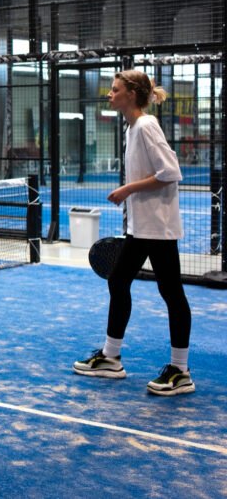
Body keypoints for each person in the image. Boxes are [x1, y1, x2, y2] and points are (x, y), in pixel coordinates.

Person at [73, 70, 193, 395]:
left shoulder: (146, 126)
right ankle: (111, 357)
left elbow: (171, 172)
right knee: (119, 280)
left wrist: (127, 190)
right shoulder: (131, 129)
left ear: (131, 95)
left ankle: (180, 371)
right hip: (141, 227)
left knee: (171, 292)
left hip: (157, 227)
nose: (109, 95)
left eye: (115, 90)